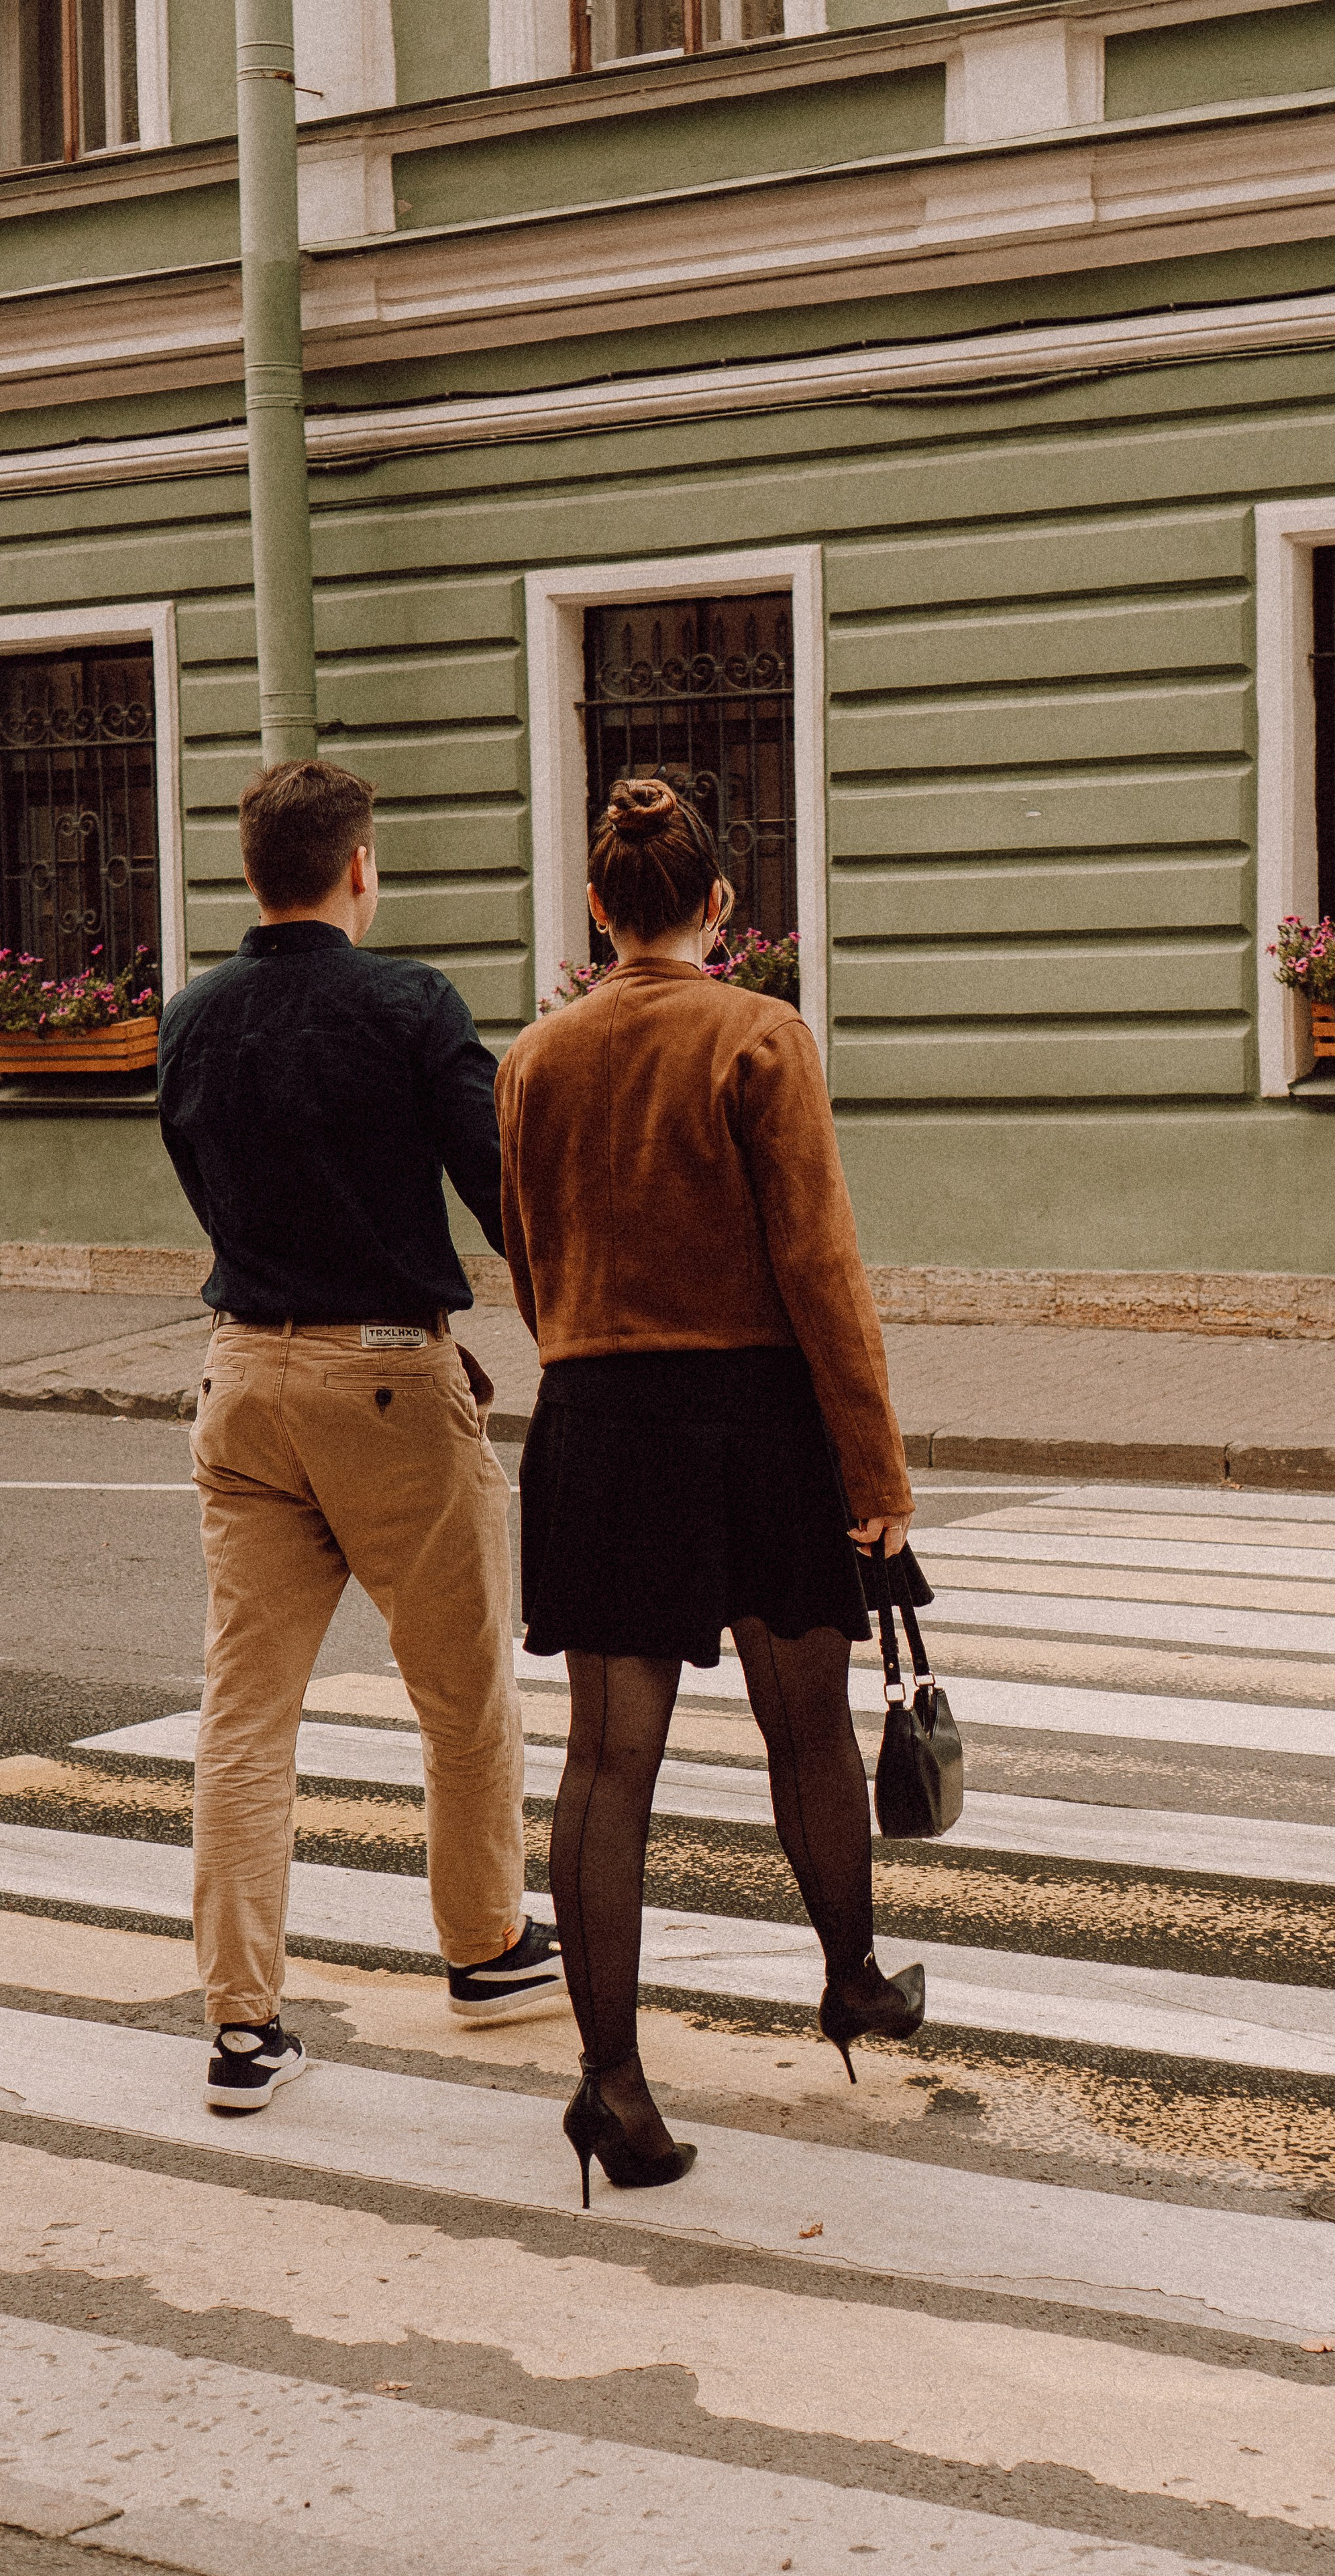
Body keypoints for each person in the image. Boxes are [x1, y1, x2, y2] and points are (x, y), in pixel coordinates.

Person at [496, 777, 925, 2207]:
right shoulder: (758, 1034)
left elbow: (527, 1254)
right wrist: (874, 1469)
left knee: (606, 1763)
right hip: (752, 1420)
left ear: (600, 911)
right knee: (802, 1720)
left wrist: (587, 1354)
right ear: (719, 907)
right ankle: (851, 1980)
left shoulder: (533, 1058)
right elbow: (819, 1269)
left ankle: (609, 2083)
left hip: (600, 1422)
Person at [157, 757, 564, 2114]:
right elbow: (505, 1194)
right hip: (389, 1379)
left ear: (253, 872)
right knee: (460, 1697)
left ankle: (240, 2031)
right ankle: (486, 1946)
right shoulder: (408, 1005)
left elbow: (205, 1185)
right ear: (359, 869)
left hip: (241, 1381)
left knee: (246, 1716)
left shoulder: (192, 1019)